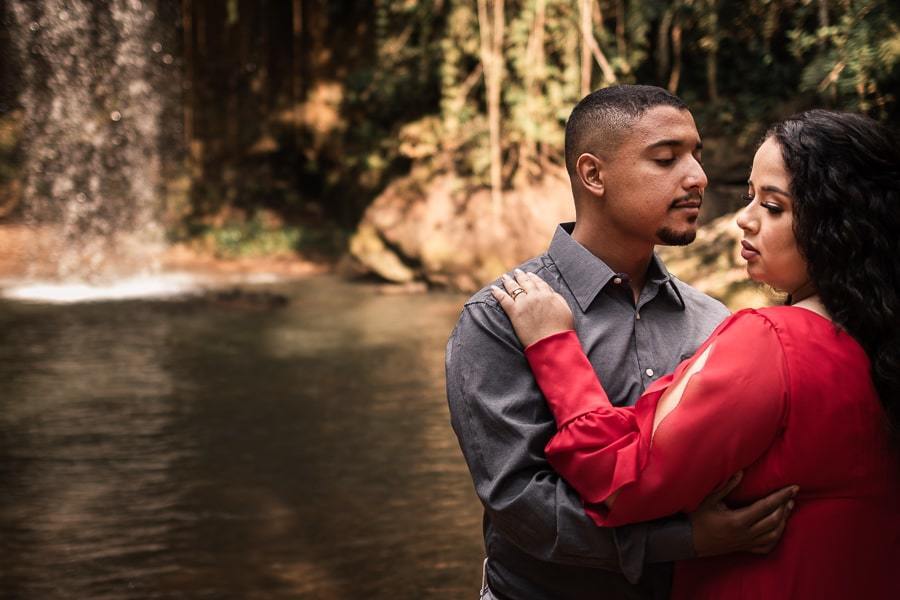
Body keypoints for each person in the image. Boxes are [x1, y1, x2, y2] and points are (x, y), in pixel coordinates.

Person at [491, 109, 900, 599]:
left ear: (838, 224)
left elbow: (620, 481)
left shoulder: (769, 339)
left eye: (772, 206)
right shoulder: (874, 338)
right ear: (591, 174)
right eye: (751, 198)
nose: (742, 220)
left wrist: (552, 343)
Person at [446, 85, 797, 600]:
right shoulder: (498, 318)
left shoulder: (713, 320)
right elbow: (522, 504)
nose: (697, 176)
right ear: (593, 175)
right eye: (666, 158)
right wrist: (685, 541)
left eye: (696, 155)